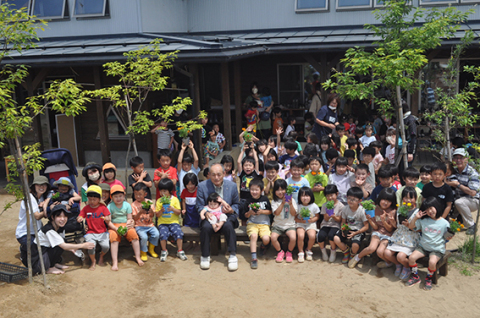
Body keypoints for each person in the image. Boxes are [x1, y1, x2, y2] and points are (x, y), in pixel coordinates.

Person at [21, 204, 95, 275]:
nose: (62, 219)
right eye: (59, 216)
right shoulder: (49, 230)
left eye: (65, 216)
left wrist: (72, 249)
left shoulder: (60, 227)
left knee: (60, 243)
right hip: (37, 262)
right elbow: (63, 246)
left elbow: (63, 242)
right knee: (59, 245)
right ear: (53, 217)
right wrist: (83, 245)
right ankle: (49, 268)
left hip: (44, 255)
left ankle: (53, 264)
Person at [196, 163, 240, 271]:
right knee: (206, 227)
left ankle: (232, 254)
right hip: (209, 215)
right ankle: (205, 255)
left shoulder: (232, 186)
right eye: (213, 175)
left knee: (228, 225)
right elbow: (199, 205)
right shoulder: (202, 186)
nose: (216, 178)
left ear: (224, 174)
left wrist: (231, 210)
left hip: (226, 215)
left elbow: (237, 204)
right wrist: (206, 214)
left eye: (219, 174)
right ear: (209, 175)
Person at [405, 197, 450, 290]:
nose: (430, 211)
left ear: (437, 206)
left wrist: (449, 237)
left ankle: (428, 278)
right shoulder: (423, 220)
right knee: (411, 258)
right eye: (427, 209)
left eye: (431, 207)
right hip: (423, 247)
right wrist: (416, 217)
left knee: (432, 262)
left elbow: (446, 238)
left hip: (437, 249)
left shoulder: (444, 223)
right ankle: (415, 276)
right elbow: (411, 227)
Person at [348, 188, 397, 269]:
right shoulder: (375, 208)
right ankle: (357, 258)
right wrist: (369, 219)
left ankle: (389, 263)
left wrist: (383, 221)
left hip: (388, 234)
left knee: (380, 251)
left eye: (388, 201)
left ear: (392, 202)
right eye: (383, 199)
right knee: (371, 248)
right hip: (377, 232)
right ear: (379, 199)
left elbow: (390, 230)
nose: (385, 202)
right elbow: (376, 227)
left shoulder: (392, 212)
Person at [382, 187, 420, 280]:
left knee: (400, 256)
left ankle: (407, 267)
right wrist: (392, 222)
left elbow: (418, 229)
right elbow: (397, 226)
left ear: (415, 199)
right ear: (402, 198)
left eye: (411, 198)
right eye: (405, 198)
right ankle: (398, 265)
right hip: (399, 237)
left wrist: (409, 226)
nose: (408, 200)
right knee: (387, 253)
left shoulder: (418, 212)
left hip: (411, 238)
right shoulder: (400, 209)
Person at [107, 185, 144, 270]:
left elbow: (129, 218)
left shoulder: (127, 205)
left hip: (125, 224)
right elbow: (108, 221)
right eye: (115, 196)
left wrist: (127, 226)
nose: (118, 198)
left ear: (124, 196)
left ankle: (138, 257)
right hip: (114, 225)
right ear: (111, 197)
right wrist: (115, 228)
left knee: (134, 236)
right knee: (114, 239)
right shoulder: (110, 206)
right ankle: (115, 262)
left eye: (120, 196)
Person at [77, 185, 111, 270]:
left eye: (94, 199)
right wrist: (79, 218)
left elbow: (108, 218)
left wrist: (107, 218)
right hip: (90, 232)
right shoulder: (86, 208)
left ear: (99, 199)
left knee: (106, 246)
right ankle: (93, 261)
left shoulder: (103, 208)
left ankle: (101, 256)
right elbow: (80, 216)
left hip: (102, 232)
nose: (92, 201)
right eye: (90, 199)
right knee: (91, 247)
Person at [447, 148, 480, 234]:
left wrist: (457, 184)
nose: (458, 160)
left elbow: (473, 193)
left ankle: (471, 225)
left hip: (474, 200)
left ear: (467, 159)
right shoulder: (453, 170)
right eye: (456, 158)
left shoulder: (472, 173)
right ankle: (457, 218)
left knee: (459, 202)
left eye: (461, 158)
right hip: (460, 197)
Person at [242, 178, 272, 269]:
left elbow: (270, 211)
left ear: (261, 190)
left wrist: (262, 211)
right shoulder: (248, 201)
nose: (254, 192)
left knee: (266, 239)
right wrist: (250, 212)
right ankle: (254, 258)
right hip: (252, 223)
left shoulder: (265, 199)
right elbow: (245, 216)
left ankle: (263, 246)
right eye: (252, 189)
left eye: (256, 190)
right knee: (254, 236)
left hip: (264, 224)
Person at [155, 178, 187, 262]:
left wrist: (173, 209)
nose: (162, 193)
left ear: (170, 191)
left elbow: (179, 212)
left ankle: (180, 250)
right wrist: (161, 211)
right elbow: (157, 215)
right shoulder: (159, 201)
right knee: (162, 234)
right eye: (161, 191)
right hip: (162, 223)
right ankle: (164, 250)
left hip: (173, 222)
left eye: (164, 191)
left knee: (179, 233)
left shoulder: (175, 200)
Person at [16, 176, 49, 247]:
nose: (41, 187)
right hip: (25, 233)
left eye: (44, 184)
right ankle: (23, 250)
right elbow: (37, 216)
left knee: (47, 247)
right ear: (34, 186)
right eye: (38, 184)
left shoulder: (43, 198)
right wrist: (48, 209)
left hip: (38, 231)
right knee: (35, 251)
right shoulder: (29, 198)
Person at [271, 179, 297, 263]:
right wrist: (282, 203)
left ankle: (289, 252)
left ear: (286, 190)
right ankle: (280, 252)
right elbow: (276, 213)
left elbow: (294, 214)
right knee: (273, 237)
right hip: (277, 225)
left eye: (282, 189)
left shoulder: (292, 200)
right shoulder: (274, 201)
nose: (280, 192)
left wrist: (290, 204)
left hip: (290, 225)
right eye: (277, 190)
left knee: (293, 237)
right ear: (274, 191)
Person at [131, 182, 159, 262]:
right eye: (136, 194)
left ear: (145, 194)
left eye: (140, 194)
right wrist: (140, 212)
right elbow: (135, 219)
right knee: (144, 237)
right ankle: (143, 252)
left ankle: (151, 249)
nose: (138, 196)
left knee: (156, 234)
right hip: (139, 226)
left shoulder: (149, 202)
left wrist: (151, 211)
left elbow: (152, 215)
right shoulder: (133, 205)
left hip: (150, 225)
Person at [318, 185, 344, 263]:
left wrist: (334, 216)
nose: (330, 198)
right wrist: (328, 215)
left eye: (331, 195)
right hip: (325, 224)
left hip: (335, 225)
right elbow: (325, 219)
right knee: (320, 235)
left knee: (331, 236)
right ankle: (324, 252)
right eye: (327, 196)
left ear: (337, 194)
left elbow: (339, 220)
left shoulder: (341, 206)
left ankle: (333, 252)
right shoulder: (324, 205)